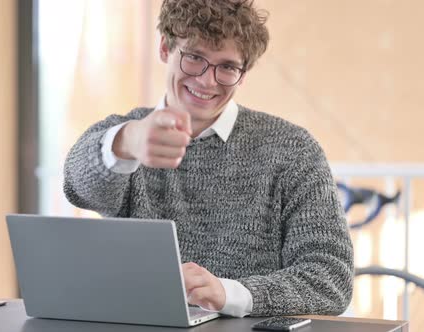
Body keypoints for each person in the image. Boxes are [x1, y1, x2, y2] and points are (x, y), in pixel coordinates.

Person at [63, 0, 353, 317]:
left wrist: (228, 293)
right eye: (194, 58)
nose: (207, 81)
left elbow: (330, 280)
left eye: (227, 66)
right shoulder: (128, 136)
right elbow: (78, 186)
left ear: (243, 74)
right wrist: (127, 141)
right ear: (164, 49)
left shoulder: (293, 149)